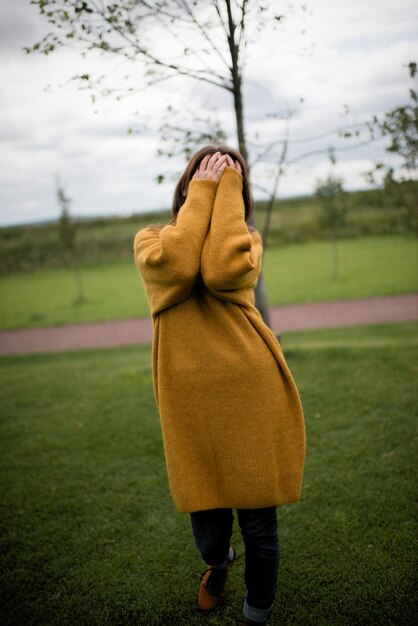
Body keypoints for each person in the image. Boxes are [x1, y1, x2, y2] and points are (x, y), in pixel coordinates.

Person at [134, 145, 306, 625]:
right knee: (208, 524)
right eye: (205, 176)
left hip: (251, 391)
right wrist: (207, 188)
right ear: (186, 187)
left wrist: (226, 189)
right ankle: (218, 562)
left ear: (238, 197)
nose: (217, 183)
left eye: (231, 181)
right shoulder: (152, 240)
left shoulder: (245, 241)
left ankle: (257, 612)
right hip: (190, 405)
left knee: (259, 524)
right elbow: (180, 268)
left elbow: (219, 269)